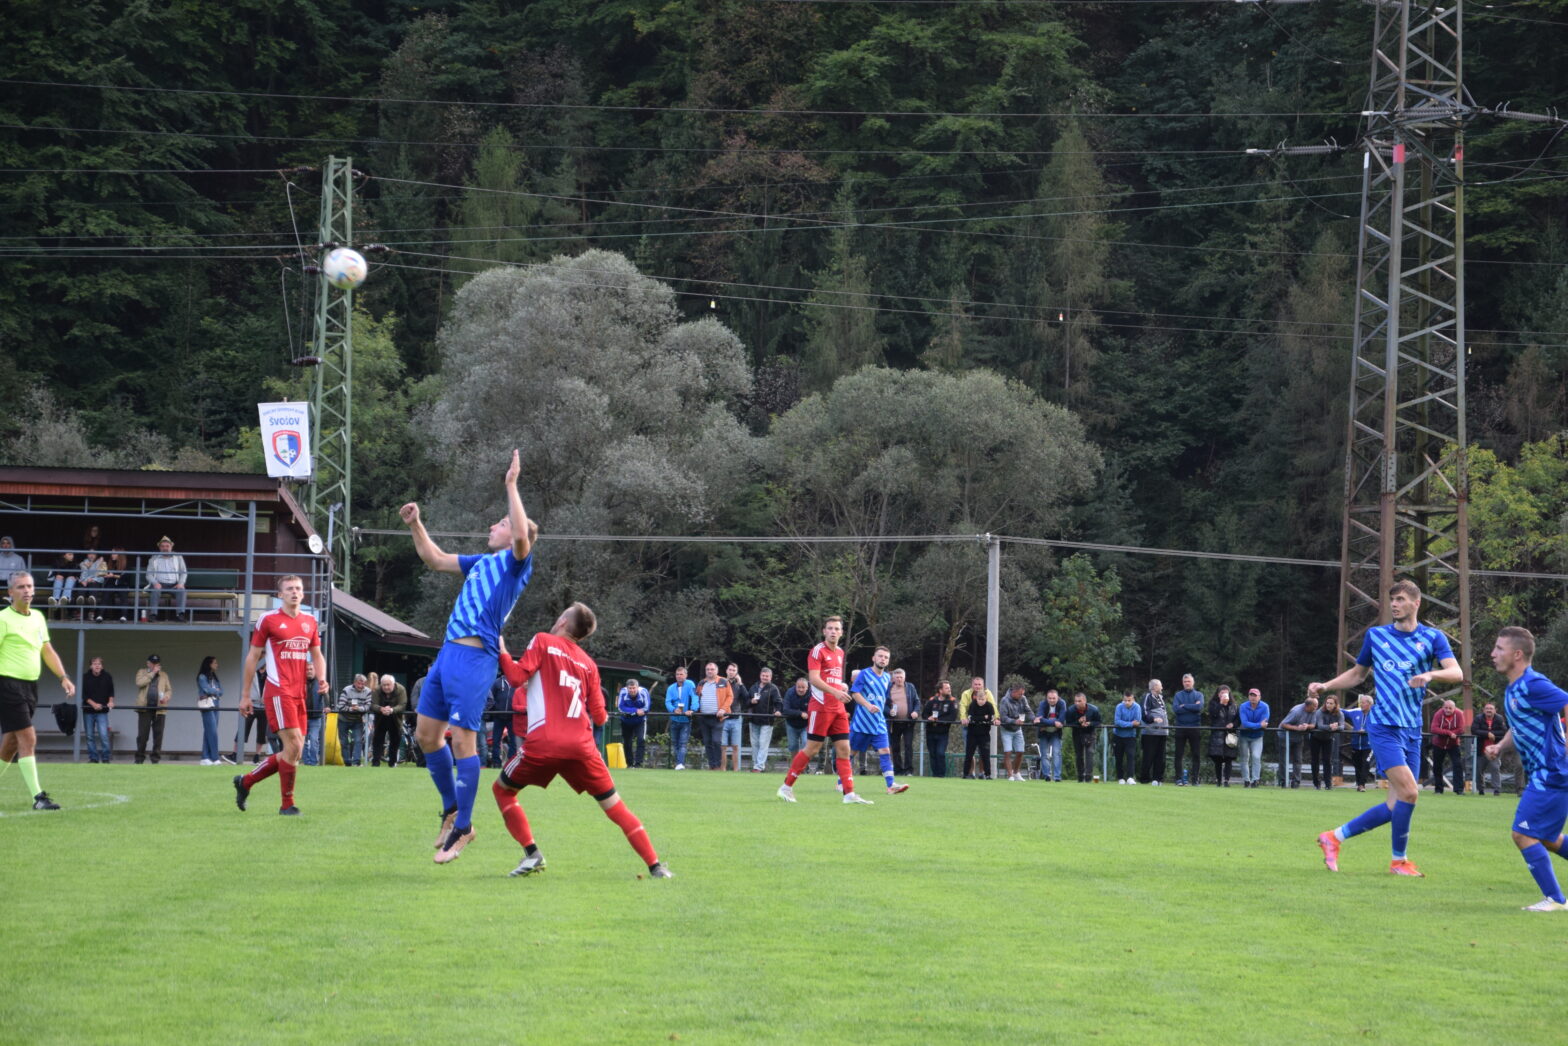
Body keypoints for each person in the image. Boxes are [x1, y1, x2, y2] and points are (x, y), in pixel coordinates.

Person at [401, 449, 536, 862]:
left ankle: (464, 828)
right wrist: (416, 524)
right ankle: (451, 810)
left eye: (500, 522)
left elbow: (519, 536)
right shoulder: (481, 562)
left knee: (463, 739)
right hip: (446, 656)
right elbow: (434, 559)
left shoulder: (517, 564)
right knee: (427, 736)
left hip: (476, 660)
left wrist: (511, 485)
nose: (493, 526)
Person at [492, 602, 673, 878]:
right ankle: (656, 866)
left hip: (545, 742)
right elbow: (600, 716)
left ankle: (532, 854)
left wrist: (502, 651)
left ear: (564, 621)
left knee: (502, 790)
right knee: (615, 807)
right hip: (582, 747)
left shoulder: (543, 640)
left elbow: (516, 678)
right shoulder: (589, 664)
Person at [1313, 579, 1464, 878]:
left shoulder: (1432, 638)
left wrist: (1430, 674)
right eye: (1392, 600)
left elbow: (1456, 672)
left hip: (1412, 728)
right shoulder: (1377, 636)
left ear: (1416, 603)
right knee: (1410, 792)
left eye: (1400, 599)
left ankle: (1334, 837)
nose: (1394, 604)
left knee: (1399, 802)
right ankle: (1398, 862)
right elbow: (1358, 674)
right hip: (1384, 726)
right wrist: (1327, 685)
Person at [1480, 626, 1568, 910]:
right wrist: (1500, 746)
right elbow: (1519, 728)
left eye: (1499, 649)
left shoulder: (1534, 684)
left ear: (1517, 654)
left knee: (1522, 834)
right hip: (1545, 772)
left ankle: (1555, 900)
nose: (1493, 654)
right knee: (1548, 838)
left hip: (1552, 771)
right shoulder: (1513, 688)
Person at [232, 574, 329, 816]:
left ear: (303, 593)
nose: (295, 592)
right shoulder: (268, 619)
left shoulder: (310, 621)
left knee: (294, 751)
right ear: (280, 595)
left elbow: (317, 654)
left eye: (298, 588)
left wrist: (322, 678)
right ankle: (287, 805)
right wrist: (245, 695)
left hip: (299, 693)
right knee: (294, 745)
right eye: (289, 589)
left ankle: (246, 781)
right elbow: (252, 657)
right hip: (277, 690)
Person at [777, 616, 872, 805]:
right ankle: (786, 787)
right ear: (824, 631)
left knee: (844, 749)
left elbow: (832, 678)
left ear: (841, 632)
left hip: (838, 708)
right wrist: (836, 691)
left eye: (837, 629)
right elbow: (813, 679)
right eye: (830, 628)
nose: (833, 631)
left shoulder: (840, 652)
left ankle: (849, 794)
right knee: (812, 748)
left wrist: (841, 688)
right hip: (820, 707)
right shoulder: (817, 651)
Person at [0, 571, 74, 809]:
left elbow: (47, 650)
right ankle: (38, 798)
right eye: (21, 587)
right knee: (28, 737)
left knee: (12, 743)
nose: (27, 591)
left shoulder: (38, 618)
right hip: (7, 683)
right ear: (10, 592)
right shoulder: (3, 619)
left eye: (30, 586)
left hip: (30, 685)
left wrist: (63, 677)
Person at [847, 646, 910, 796]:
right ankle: (841, 780)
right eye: (880, 656)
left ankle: (891, 786)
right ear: (873, 658)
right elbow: (854, 693)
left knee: (885, 751)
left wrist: (888, 709)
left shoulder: (888, 678)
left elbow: (883, 698)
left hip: (878, 722)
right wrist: (868, 705)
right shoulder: (864, 674)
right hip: (862, 722)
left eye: (886, 657)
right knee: (851, 752)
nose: (883, 659)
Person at [694, 662, 734, 771]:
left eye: (712, 669)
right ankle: (712, 765)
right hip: (703, 717)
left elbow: (730, 697)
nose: (710, 671)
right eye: (708, 669)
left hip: (718, 717)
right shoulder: (702, 683)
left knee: (716, 741)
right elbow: (696, 697)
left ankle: (717, 765)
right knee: (707, 742)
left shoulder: (723, 681)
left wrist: (723, 709)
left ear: (716, 670)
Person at [134, 654, 172, 764]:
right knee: (142, 736)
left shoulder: (164, 675)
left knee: (158, 736)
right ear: (148, 663)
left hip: (160, 709)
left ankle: (155, 760)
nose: (156, 665)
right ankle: (139, 759)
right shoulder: (142, 672)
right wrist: (152, 673)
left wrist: (167, 696)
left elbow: (169, 690)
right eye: (153, 663)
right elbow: (139, 683)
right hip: (145, 709)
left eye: (157, 663)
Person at [143, 536, 188, 622]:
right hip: (159, 584)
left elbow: (183, 572)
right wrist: (155, 583)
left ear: (171, 547)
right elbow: (148, 574)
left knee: (182, 590)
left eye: (167, 546)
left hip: (174, 584)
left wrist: (181, 583)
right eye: (163, 546)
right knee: (155, 590)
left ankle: (180, 615)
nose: (165, 548)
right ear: (159, 548)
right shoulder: (154, 558)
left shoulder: (178, 557)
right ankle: (153, 615)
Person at [745, 668, 781, 772]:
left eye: (767, 676)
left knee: (763, 743)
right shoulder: (754, 687)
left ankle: (759, 767)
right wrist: (751, 701)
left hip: (767, 721)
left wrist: (778, 711)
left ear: (770, 677)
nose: (765, 677)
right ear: (760, 676)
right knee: (755, 743)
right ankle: (756, 766)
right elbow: (746, 701)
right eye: (763, 675)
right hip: (753, 720)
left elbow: (778, 702)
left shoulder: (773, 688)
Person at [1278, 694, 1319, 788]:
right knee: (1284, 760)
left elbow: (1313, 724)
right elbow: (1284, 724)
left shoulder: (1313, 711)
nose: (1316, 708)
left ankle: (1296, 782)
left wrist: (1307, 726)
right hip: (1285, 736)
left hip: (1299, 738)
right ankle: (1283, 781)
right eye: (1315, 706)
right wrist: (1297, 728)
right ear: (1308, 706)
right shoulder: (1296, 711)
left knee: (1298, 759)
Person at [884, 668, 919, 777]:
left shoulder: (910, 687)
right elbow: (883, 704)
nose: (899, 679)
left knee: (908, 746)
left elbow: (917, 701)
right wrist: (889, 711)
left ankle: (908, 770)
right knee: (895, 747)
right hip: (894, 723)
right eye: (897, 677)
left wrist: (916, 711)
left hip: (908, 722)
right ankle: (898, 770)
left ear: (904, 678)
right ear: (893, 678)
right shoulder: (888, 688)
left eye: (901, 677)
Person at [1171, 674, 1205, 786]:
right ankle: (1179, 779)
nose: (1187, 683)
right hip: (1180, 727)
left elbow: (1199, 708)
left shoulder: (1199, 695)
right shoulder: (1178, 695)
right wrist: (1191, 706)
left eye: (1189, 681)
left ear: (1193, 682)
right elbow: (1176, 709)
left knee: (1196, 754)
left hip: (1195, 727)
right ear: (1182, 683)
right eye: (1185, 681)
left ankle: (1195, 780)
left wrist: (1184, 705)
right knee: (1179, 754)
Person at [80, 656, 114, 763]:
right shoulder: (85, 677)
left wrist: (111, 701)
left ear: (102, 666)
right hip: (88, 711)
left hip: (102, 712)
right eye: (95, 664)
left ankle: (105, 758)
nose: (97, 666)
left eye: (99, 664)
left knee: (103, 735)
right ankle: (93, 758)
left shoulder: (107, 676)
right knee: (90, 736)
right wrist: (93, 704)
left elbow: (111, 692)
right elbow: (83, 695)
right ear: (91, 666)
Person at [1429, 698, 1466, 795]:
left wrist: (1453, 734)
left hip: (1453, 744)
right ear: (1442, 708)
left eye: (1450, 708)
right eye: (1446, 708)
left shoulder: (1459, 714)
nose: (1448, 710)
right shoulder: (1438, 714)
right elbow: (1434, 729)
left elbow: (1461, 729)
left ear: (1454, 708)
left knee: (1457, 765)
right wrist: (1449, 733)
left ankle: (1459, 790)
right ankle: (1438, 789)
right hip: (1438, 744)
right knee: (1437, 767)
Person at [1472, 701, 1508, 796]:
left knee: (1495, 768)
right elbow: (1474, 730)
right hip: (1481, 749)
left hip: (1494, 750)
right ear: (1483, 710)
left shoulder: (1499, 719)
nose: (1489, 710)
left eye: (1491, 709)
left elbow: (1504, 732)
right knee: (1479, 770)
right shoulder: (1478, 718)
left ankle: (1496, 789)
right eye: (1487, 708)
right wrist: (1487, 734)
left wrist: (1493, 735)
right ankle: (1480, 789)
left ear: (1495, 710)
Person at [336, 674, 373, 767]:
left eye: (363, 684)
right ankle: (347, 762)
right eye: (358, 683)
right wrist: (351, 709)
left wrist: (359, 709)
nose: (360, 686)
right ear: (354, 683)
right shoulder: (346, 690)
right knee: (344, 742)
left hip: (357, 720)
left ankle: (356, 762)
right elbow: (340, 706)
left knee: (358, 741)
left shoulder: (368, 691)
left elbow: (368, 706)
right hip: (343, 719)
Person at [372, 673, 408, 768]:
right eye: (384, 685)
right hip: (380, 718)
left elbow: (403, 705)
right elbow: (372, 704)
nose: (386, 687)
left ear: (393, 684)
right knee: (377, 741)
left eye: (388, 685)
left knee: (395, 741)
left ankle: (392, 763)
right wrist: (381, 709)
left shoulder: (401, 689)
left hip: (395, 718)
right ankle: (375, 763)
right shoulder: (376, 689)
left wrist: (392, 710)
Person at [962, 684, 997, 780]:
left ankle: (988, 774)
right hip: (972, 734)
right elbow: (971, 717)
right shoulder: (972, 705)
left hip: (984, 734)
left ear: (986, 698)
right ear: (976, 698)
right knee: (969, 754)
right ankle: (965, 774)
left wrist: (982, 719)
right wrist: (983, 718)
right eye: (979, 699)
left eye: (983, 700)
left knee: (985, 755)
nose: (981, 702)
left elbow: (991, 717)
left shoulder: (989, 706)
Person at [998, 683, 1032, 781]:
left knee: (1020, 751)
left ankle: (1016, 772)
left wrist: (1034, 719)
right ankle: (1010, 775)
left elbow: (1028, 710)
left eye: (1022, 694)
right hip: (1007, 729)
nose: (1021, 696)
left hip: (1017, 729)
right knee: (1008, 752)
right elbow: (1003, 717)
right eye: (1019, 694)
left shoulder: (1023, 698)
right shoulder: (1005, 700)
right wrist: (1014, 721)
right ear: (1013, 692)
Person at [1206, 685, 1239, 787]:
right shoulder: (1213, 703)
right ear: (1218, 694)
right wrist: (1221, 703)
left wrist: (1233, 724)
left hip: (1230, 735)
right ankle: (1219, 780)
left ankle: (1227, 781)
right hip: (1217, 735)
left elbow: (1238, 719)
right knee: (1218, 759)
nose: (1224, 695)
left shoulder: (1234, 705)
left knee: (1229, 758)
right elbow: (1213, 715)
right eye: (1222, 693)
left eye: (1226, 693)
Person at [664, 666, 696, 770]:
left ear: (686, 675)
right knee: (675, 743)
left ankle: (680, 763)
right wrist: (673, 710)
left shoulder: (690, 684)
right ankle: (678, 763)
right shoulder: (671, 688)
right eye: (677, 674)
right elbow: (667, 701)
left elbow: (695, 697)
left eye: (681, 674)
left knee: (683, 743)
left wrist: (692, 709)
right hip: (674, 719)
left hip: (686, 720)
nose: (679, 676)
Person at [924, 680, 958, 778]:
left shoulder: (952, 701)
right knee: (932, 754)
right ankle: (935, 775)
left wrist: (939, 720)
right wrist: (928, 718)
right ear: (940, 690)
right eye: (947, 688)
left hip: (943, 733)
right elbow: (924, 714)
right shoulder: (932, 700)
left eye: (949, 688)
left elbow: (952, 717)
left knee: (940, 753)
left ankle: (941, 774)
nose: (949, 690)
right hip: (930, 731)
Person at [1310, 695, 1344, 790]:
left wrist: (1336, 727)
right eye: (1327, 703)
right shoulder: (1320, 712)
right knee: (1315, 761)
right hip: (1316, 738)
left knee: (1327, 761)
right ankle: (1316, 783)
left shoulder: (1339, 713)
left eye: (1331, 703)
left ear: (1335, 705)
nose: (1328, 705)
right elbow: (1320, 726)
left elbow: (1342, 726)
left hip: (1328, 739)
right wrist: (1331, 727)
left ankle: (1328, 784)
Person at [1139, 679, 1169, 786]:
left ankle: (1157, 779)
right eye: (1160, 686)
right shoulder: (1147, 697)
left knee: (1160, 757)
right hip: (1150, 733)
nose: (1162, 688)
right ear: (1154, 687)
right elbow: (1144, 712)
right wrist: (1153, 719)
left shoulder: (1161, 698)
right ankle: (1144, 779)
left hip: (1162, 732)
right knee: (1148, 756)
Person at [1342, 694, 1374, 792]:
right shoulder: (1355, 712)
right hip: (1355, 744)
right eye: (1360, 702)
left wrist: (1366, 731)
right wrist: (1330, 707)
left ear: (1369, 704)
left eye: (1363, 702)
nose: (1361, 704)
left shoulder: (1376, 714)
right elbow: (1341, 711)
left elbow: (1380, 726)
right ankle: (1359, 784)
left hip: (1369, 745)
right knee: (1357, 765)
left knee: (1366, 764)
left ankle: (1362, 785)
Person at [617, 677, 651, 769]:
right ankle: (629, 764)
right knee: (627, 742)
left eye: (634, 688)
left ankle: (638, 764)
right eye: (630, 688)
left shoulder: (644, 692)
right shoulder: (623, 692)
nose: (632, 690)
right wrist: (635, 711)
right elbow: (621, 708)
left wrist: (635, 712)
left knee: (641, 740)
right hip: (626, 721)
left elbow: (647, 708)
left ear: (637, 687)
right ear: (627, 688)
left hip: (640, 721)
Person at [1238, 688, 1269, 788]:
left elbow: (1265, 721)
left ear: (1259, 697)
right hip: (1244, 736)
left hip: (1257, 736)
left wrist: (1255, 725)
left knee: (1256, 757)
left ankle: (1255, 780)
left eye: (1255, 695)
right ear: (1248, 696)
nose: (1253, 697)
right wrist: (1259, 725)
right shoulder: (1243, 706)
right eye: (1251, 695)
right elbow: (1244, 723)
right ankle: (1246, 780)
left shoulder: (1265, 706)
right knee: (1244, 758)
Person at [1034, 688, 1067, 782]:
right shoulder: (1042, 704)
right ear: (1046, 698)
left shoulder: (1062, 703)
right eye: (1050, 698)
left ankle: (1057, 777)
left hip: (1056, 733)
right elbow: (1039, 719)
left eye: (1054, 698)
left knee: (1057, 754)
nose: (1052, 700)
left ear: (1058, 698)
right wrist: (1054, 722)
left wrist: (1046, 722)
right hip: (1043, 732)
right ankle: (1047, 775)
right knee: (1044, 755)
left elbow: (1061, 719)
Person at [1068, 692, 1102, 782]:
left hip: (1090, 733)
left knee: (1089, 754)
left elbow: (1098, 722)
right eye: (1075, 701)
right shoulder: (1071, 710)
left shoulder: (1094, 709)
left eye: (1079, 701)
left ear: (1085, 701)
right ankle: (1080, 777)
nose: (1077, 703)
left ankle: (1088, 777)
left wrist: (1089, 723)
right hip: (1077, 734)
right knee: (1079, 756)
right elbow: (1068, 723)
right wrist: (1078, 722)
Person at [197, 655, 223, 766]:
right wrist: (215, 691)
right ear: (209, 664)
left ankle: (205, 757)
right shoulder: (202, 677)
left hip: (216, 704)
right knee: (212, 731)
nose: (217, 664)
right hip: (207, 705)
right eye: (215, 663)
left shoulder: (214, 677)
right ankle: (215, 757)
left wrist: (215, 691)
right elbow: (207, 689)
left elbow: (221, 691)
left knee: (209, 731)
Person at [1113, 690, 1142, 784]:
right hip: (1118, 735)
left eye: (1129, 700)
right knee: (1119, 757)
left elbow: (1137, 722)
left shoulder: (1137, 707)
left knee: (1131, 756)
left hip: (1130, 736)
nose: (1127, 702)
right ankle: (1120, 778)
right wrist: (1130, 724)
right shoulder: (1119, 706)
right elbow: (1117, 721)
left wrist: (1126, 724)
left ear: (1133, 699)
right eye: (1125, 700)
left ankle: (1130, 777)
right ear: (1123, 699)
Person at [302, 666, 328, 767]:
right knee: (302, 742)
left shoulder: (321, 683)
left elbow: (326, 696)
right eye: (307, 669)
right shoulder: (300, 683)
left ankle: (313, 763)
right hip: (302, 717)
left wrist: (327, 706)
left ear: (315, 670)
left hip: (315, 718)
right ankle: (306, 762)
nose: (308, 671)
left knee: (313, 740)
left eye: (311, 669)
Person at [721, 663, 745, 771]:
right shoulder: (721, 683)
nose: (731, 672)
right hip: (723, 719)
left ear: (736, 672)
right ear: (726, 671)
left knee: (735, 746)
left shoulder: (739, 685)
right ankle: (723, 769)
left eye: (734, 670)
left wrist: (740, 683)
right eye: (730, 670)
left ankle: (736, 770)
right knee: (723, 746)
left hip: (736, 719)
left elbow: (747, 698)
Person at [781, 676, 812, 762]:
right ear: (795, 686)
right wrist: (800, 713)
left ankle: (804, 765)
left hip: (806, 725)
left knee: (806, 743)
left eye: (803, 687)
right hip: (791, 724)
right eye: (799, 687)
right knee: (793, 746)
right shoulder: (790, 693)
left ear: (807, 687)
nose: (801, 689)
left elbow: (815, 709)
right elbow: (786, 710)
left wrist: (807, 714)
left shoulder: (812, 694)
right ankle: (795, 765)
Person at [76, 551, 107, 621]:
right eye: (90, 553)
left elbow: (102, 577)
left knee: (93, 589)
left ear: (96, 555)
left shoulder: (102, 562)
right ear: (87, 555)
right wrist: (85, 580)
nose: (91, 555)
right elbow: (81, 576)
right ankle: (80, 612)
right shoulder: (82, 563)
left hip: (95, 582)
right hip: (84, 582)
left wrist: (92, 579)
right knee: (81, 592)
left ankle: (91, 612)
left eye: (93, 554)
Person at [47, 550, 76, 615]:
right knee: (59, 577)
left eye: (73, 554)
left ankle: (65, 598)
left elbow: (76, 575)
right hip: (58, 583)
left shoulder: (74, 563)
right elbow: (50, 577)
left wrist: (71, 577)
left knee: (70, 579)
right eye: (70, 554)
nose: (72, 556)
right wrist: (58, 575)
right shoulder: (57, 562)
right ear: (64, 555)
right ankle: (56, 600)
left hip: (70, 584)